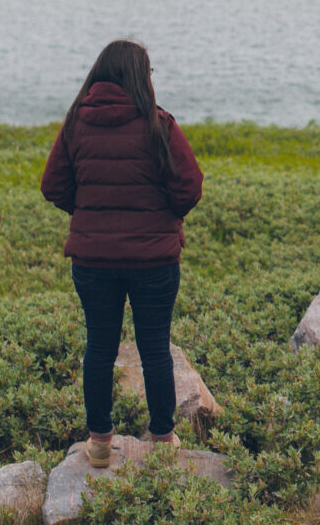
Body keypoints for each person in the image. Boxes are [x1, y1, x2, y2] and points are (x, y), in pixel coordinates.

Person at [41, 39, 204, 467]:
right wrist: (164, 217)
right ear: (139, 76)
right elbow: (189, 188)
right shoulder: (159, 124)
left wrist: (91, 214)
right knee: (154, 349)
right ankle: (163, 441)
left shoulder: (76, 123)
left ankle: (98, 444)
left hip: (93, 262)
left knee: (99, 347)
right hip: (155, 261)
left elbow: (53, 187)